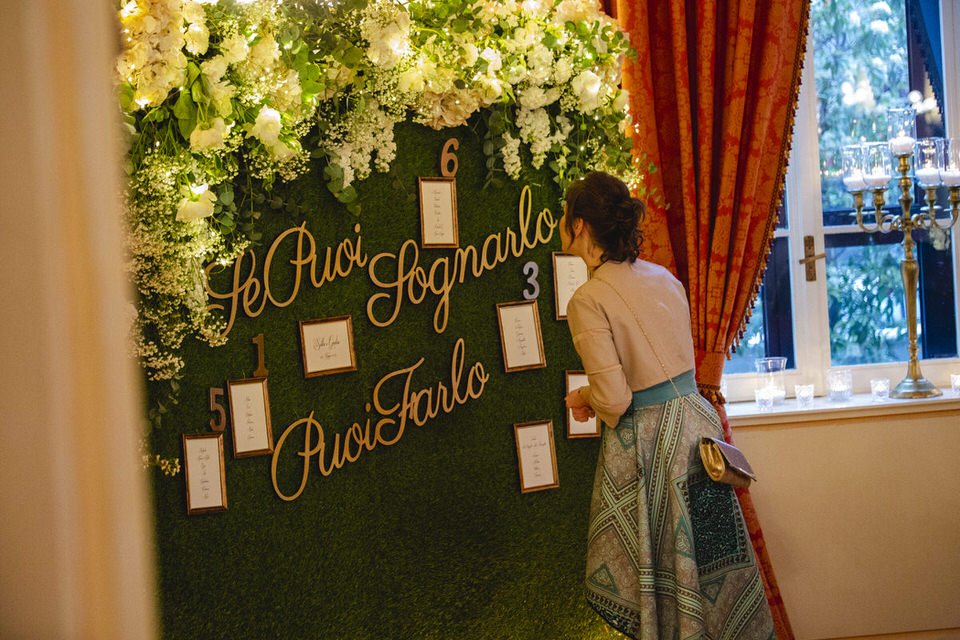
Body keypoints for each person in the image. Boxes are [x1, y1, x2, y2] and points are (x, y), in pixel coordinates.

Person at [560, 172, 776, 639]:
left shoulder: (588, 299)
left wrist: (583, 399)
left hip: (652, 442)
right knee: (711, 567)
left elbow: (616, 398)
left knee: (666, 579)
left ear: (578, 225)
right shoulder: (663, 277)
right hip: (699, 429)